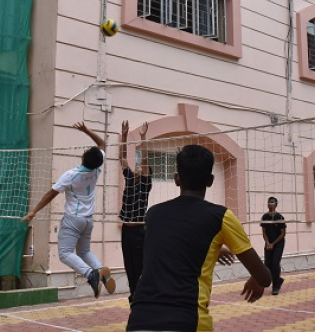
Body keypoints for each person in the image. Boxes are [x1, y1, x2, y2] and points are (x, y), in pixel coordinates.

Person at [126, 145, 271, 331]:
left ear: (177, 178)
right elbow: (265, 278)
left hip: (139, 320)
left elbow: (170, 247)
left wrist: (212, 250)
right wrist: (256, 279)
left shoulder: (153, 214)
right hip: (187, 320)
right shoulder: (221, 217)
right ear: (210, 180)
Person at [21, 122, 116, 298]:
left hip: (73, 219)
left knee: (65, 254)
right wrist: (87, 130)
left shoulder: (71, 175)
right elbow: (102, 144)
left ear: (83, 157)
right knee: (84, 251)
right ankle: (100, 270)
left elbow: (50, 194)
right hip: (88, 219)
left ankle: (91, 274)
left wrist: (34, 211)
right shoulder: (97, 169)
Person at [118, 120, 152, 302]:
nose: (138, 167)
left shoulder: (145, 184)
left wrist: (143, 137)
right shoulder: (130, 179)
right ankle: (133, 296)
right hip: (126, 230)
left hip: (139, 230)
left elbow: (145, 160)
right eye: (137, 166)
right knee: (129, 266)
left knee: (139, 267)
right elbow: (122, 158)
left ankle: (142, 296)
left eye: (141, 168)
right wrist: (124, 135)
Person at [261, 197, 286, 295]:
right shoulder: (264, 217)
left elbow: (283, 233)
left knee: (275, 263)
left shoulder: (280, 217)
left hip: (278, 243)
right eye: (269, 202)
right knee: (267, 264)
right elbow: (264, 232)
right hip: (269, 242)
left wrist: (273, 244)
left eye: (272, 202)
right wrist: (267, 243)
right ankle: (278, 280)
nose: (270, 204)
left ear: (276, 205)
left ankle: (275, 286)